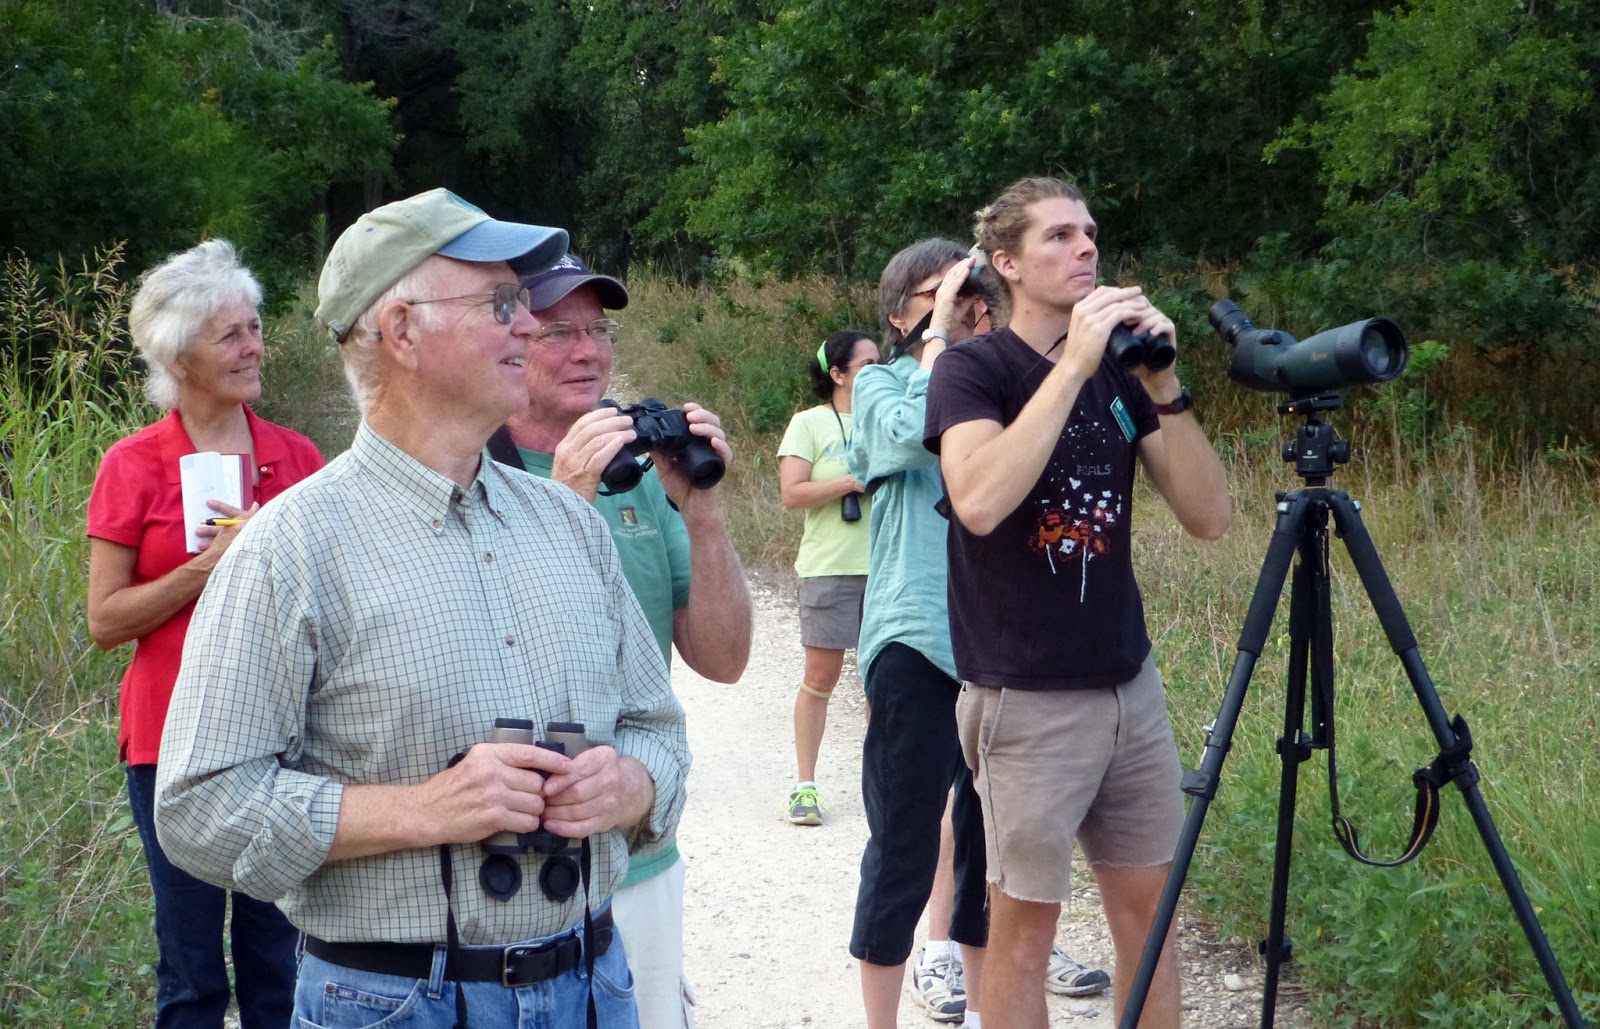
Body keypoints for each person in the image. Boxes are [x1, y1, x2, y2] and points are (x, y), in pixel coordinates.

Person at [154, 188, 691, 1029]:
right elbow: (198, 805)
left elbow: (659, 728)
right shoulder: (291, 548)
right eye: (502, 302)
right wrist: (421, 809)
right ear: (401, 330)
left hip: (595, 985)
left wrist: (629, 785)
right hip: (394, 1002)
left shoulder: (570, 525)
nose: (529, 326)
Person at [925, 176, 1231, 1029]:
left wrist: (1163, 382)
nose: (1085, 246)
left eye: (1090, 232)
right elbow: (979, 500)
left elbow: (1210, 516)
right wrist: (1072, 365)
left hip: (1128, 686)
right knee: (1025, 935)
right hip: (1024, 695)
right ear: (1007, 263)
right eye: (1058, 235)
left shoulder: (1122, 378)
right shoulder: (974, 369)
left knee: (1152, 919)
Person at [487, 253, 753, 1029]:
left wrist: (702, 511)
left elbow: (725, 659)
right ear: (511, 340)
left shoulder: (638, 475)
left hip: (638, 848)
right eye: (559, 332)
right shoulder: (472, 469)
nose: (588, 351)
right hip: (509, 867)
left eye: (599, 331)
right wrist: (567, 495)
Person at [85, 239, 324, 1028]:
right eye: (231, 335)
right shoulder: (133, 464)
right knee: (190, 970)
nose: (253, 346)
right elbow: (105, 620)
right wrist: (205, 568)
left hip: (281, 737)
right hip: (172, 737)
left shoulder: (298, 458)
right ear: (179, 357)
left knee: (279, 961)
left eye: (255, 328)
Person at [846, 239, 991, 1029]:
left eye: (969, 288)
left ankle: (985, 1008)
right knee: (904, 844)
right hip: (914, 637)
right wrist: (939, 338)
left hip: (996, 644)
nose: (964, 300)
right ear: (902, 312)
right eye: (942, 291)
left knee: (988, 855)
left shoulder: (1001, 378)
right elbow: (905, 436)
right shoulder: (881, 381)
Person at [776, 328, 878, 826]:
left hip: (887, 568)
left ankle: (885, 788)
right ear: (837, 374)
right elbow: (792, 493)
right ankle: (804, 786)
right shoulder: (808, 423)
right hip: (829, 567)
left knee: (884, 685)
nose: (878, 373)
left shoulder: (888, 418)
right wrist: (848, 483)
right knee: (821, 679)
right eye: (867, 366)